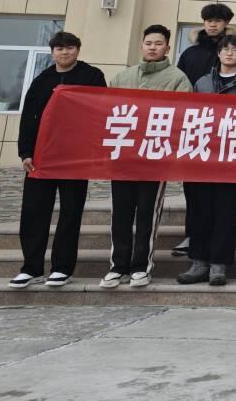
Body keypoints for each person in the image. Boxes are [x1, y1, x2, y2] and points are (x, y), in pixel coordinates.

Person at [9, 31, 106, 290]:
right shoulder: (42, 80)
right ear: (52, 52)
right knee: (34, 212)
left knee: (70, 213)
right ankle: (31, 268)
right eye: (60, 48)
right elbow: (28, 118)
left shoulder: (92, 76)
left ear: (78, 50)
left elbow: (101, 112)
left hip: (74, 157)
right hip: (41, 157)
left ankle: (62, 268)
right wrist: (25, 152)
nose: (65, 52)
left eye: (70, 47)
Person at [101, 25, 191, 290]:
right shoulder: (123, 76)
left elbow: (182, 117)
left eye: (158, 43)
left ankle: (141, 266)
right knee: (120, 214)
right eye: (149, 43)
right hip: (123, 157)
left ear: (167, 48)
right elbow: (107, 111)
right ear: (141, 46)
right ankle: (117, 266)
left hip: (154, 157)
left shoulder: (178, 79)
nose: (153, 47)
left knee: (147, 215)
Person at [178, 34, 236, 287]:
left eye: (235, 50)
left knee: (225, 212)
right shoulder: (202, 82)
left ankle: (219, 264)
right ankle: (198, 262)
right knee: (200, 210)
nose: (229, 53)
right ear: (219, 53)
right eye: (225, 49)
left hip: (234, 156)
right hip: (204, 154)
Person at [173, 2, 236, 257]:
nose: (212, 25)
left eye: (218, 21)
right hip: (196, 126)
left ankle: (225, 234)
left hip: (228, 129)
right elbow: (180, 85)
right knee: (194, 186)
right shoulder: (190, 54)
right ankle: (192, 235)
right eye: (208, 20)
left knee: (227, 189)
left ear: (226, 23)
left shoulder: (235, 51)